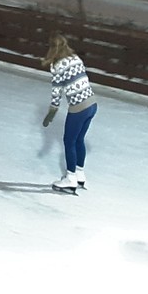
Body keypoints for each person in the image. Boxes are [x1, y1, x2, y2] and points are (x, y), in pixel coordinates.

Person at [42, 35, 98, 192]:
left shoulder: (57, 66)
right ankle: (80, 175)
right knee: (79, 139)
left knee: (69, 141)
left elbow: (56, 94)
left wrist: (51, 114)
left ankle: (70, 178)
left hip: (79, 108)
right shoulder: (75, 58)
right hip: (92, 104)